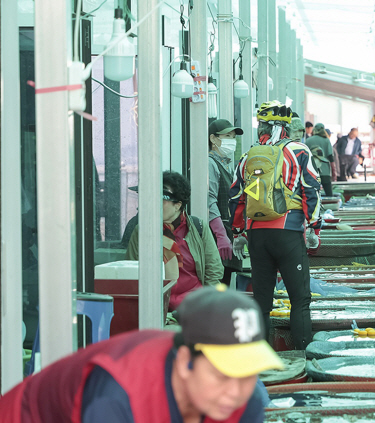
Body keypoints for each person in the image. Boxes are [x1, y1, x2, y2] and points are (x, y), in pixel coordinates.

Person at [0, 286, 280, 422]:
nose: (235, 391)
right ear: (185, 362)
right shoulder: (118, 396)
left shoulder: (248, 399)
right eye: (221, 375)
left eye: (247, 373)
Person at [229, 101, 322, 350]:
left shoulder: (249, 155)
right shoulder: (298, 150)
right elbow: (311, 189)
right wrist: (315, 227)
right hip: (288, 233)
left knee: (261, 302)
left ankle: (260, 362)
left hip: (257, 235)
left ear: (261, 126)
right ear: (286, 126)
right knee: (300, 300)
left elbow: (236, 196)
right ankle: (303, 360)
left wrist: (238, 233)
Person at [126, 171, 224, 311]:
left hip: (194, 307)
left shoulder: (198, 227)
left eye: (162, 200)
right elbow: (131, 268)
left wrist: (209, 305)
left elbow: (213, 269)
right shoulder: (142, 230)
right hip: (156, 309)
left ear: (178, 205)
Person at [208, 119, 244, 286]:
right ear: (213, 139)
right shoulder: (209, 163)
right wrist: (221, 235)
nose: (232, 141)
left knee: (226, 281)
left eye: (234, 137)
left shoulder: (227, 165)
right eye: (227, 136)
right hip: (216, 236)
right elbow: (209, 201)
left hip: (228, 234)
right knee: (218, 282)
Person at [306, 123, 335, 197]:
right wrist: (334, 172)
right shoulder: (326, 140)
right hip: (325, 172)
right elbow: (331, 157)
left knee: (312, 195)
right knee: (329, 195)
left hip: (311, 172)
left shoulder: (308, 140)